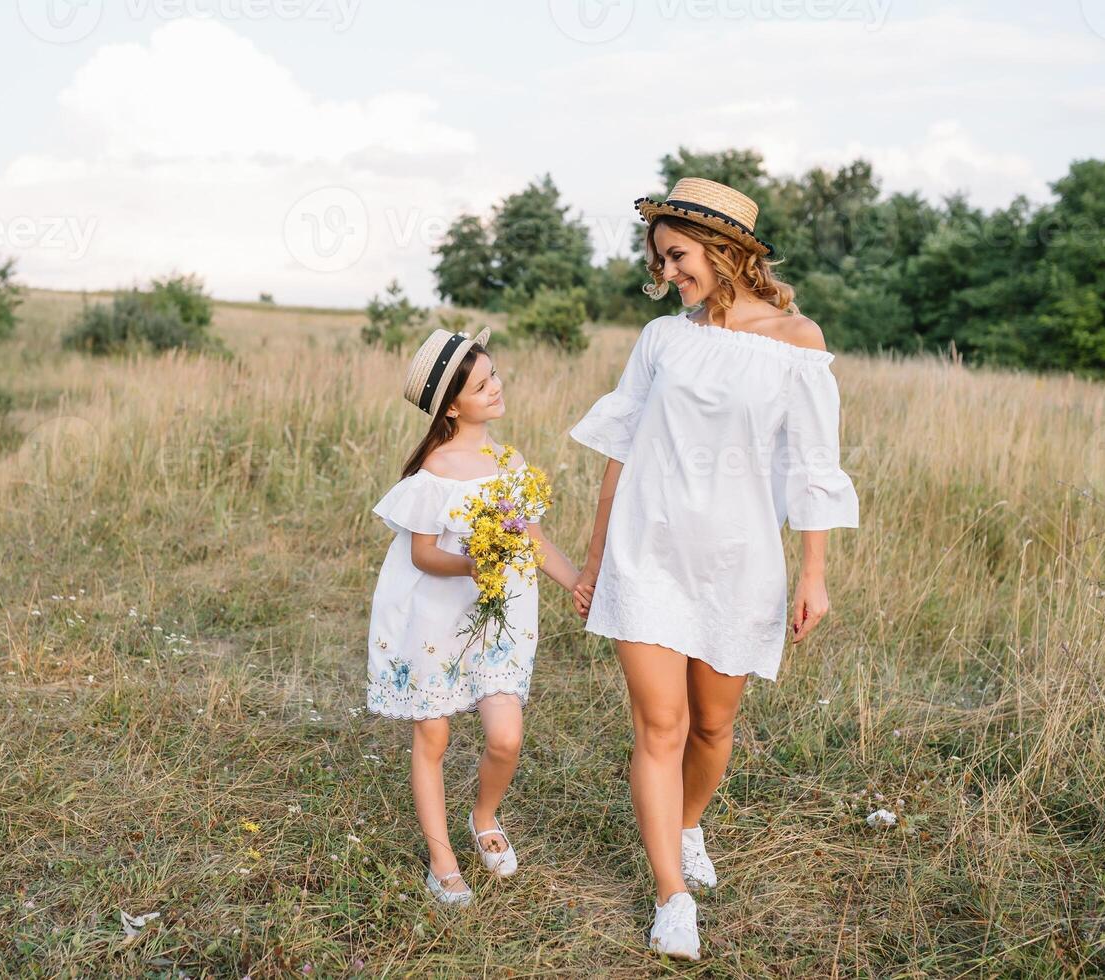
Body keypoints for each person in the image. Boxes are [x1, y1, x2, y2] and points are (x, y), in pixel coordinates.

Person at [568, 178, 861, 960]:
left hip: (740, 562)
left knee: (712, 724)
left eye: (677, 256)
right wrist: (596, 561)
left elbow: (812, 464)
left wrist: (815, 572)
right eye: (660, 260)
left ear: (726, 251)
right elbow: (620, 451)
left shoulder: (797, 340)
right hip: (647, 553)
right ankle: (672, 899)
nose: (667, 274)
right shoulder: (662, 339)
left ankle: (689, 823)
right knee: (659, 727)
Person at [367, 324, 588, 906]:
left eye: (494, 376)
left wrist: (576, 583)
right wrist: (472, 566)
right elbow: (422, 553)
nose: (496, 388)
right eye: (482, 383)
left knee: (506, 737)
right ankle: (441, 858)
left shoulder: (508, 459)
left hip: (496, 622)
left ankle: (483, 815)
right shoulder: (435, 471)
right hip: (436, 621)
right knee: (433, 734)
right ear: (451, 405)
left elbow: (533, 541)